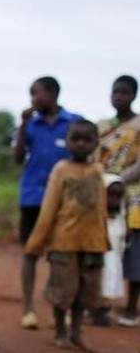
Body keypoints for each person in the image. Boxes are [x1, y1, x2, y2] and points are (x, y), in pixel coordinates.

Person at [25, 119, 109, 351]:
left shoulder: (98, 171)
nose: (81, 144)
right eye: (75, 139)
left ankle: (76, 333)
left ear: (95, 142)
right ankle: (61, 333)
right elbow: (49, 209)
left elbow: (101, 209)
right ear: (67, 141)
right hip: (64, 242)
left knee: (86, 292)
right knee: (63, 291)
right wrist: (37, 242)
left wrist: (104, 241)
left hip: (92, 243)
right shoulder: (61, 169)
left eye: (87, 139)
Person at [13, 76, 81, 330]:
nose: (33, 100)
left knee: (60, 256)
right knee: (30, 252)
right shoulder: (30, 124)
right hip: (32, 197)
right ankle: (28, 309)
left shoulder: (74, 122)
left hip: (65, 202)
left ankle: (58, 309)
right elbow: (18, 158)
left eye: (36, 94)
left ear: (52, 93)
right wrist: (22, 126)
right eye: (31, 94)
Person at [97, 74, 140, 327]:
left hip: (134, 196)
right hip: (103, 194)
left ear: (133, 95)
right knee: (104, 246)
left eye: (123, 92)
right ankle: (101, 303)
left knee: (135, 252)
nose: (118, 96)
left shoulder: (138, 126)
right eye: (115, 91)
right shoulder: (103, 126)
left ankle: (132, 307)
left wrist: (117, 180)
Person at [92, 174, 127, 326]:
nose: (114, 200)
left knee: (109, 284)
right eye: (110, 195)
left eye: (118, 196)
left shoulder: (120, 217)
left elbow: (122, 238)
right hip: (99, 258)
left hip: (113, 258)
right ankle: (95, 309)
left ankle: (104, 309)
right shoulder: (95, 216)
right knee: (97, 282)